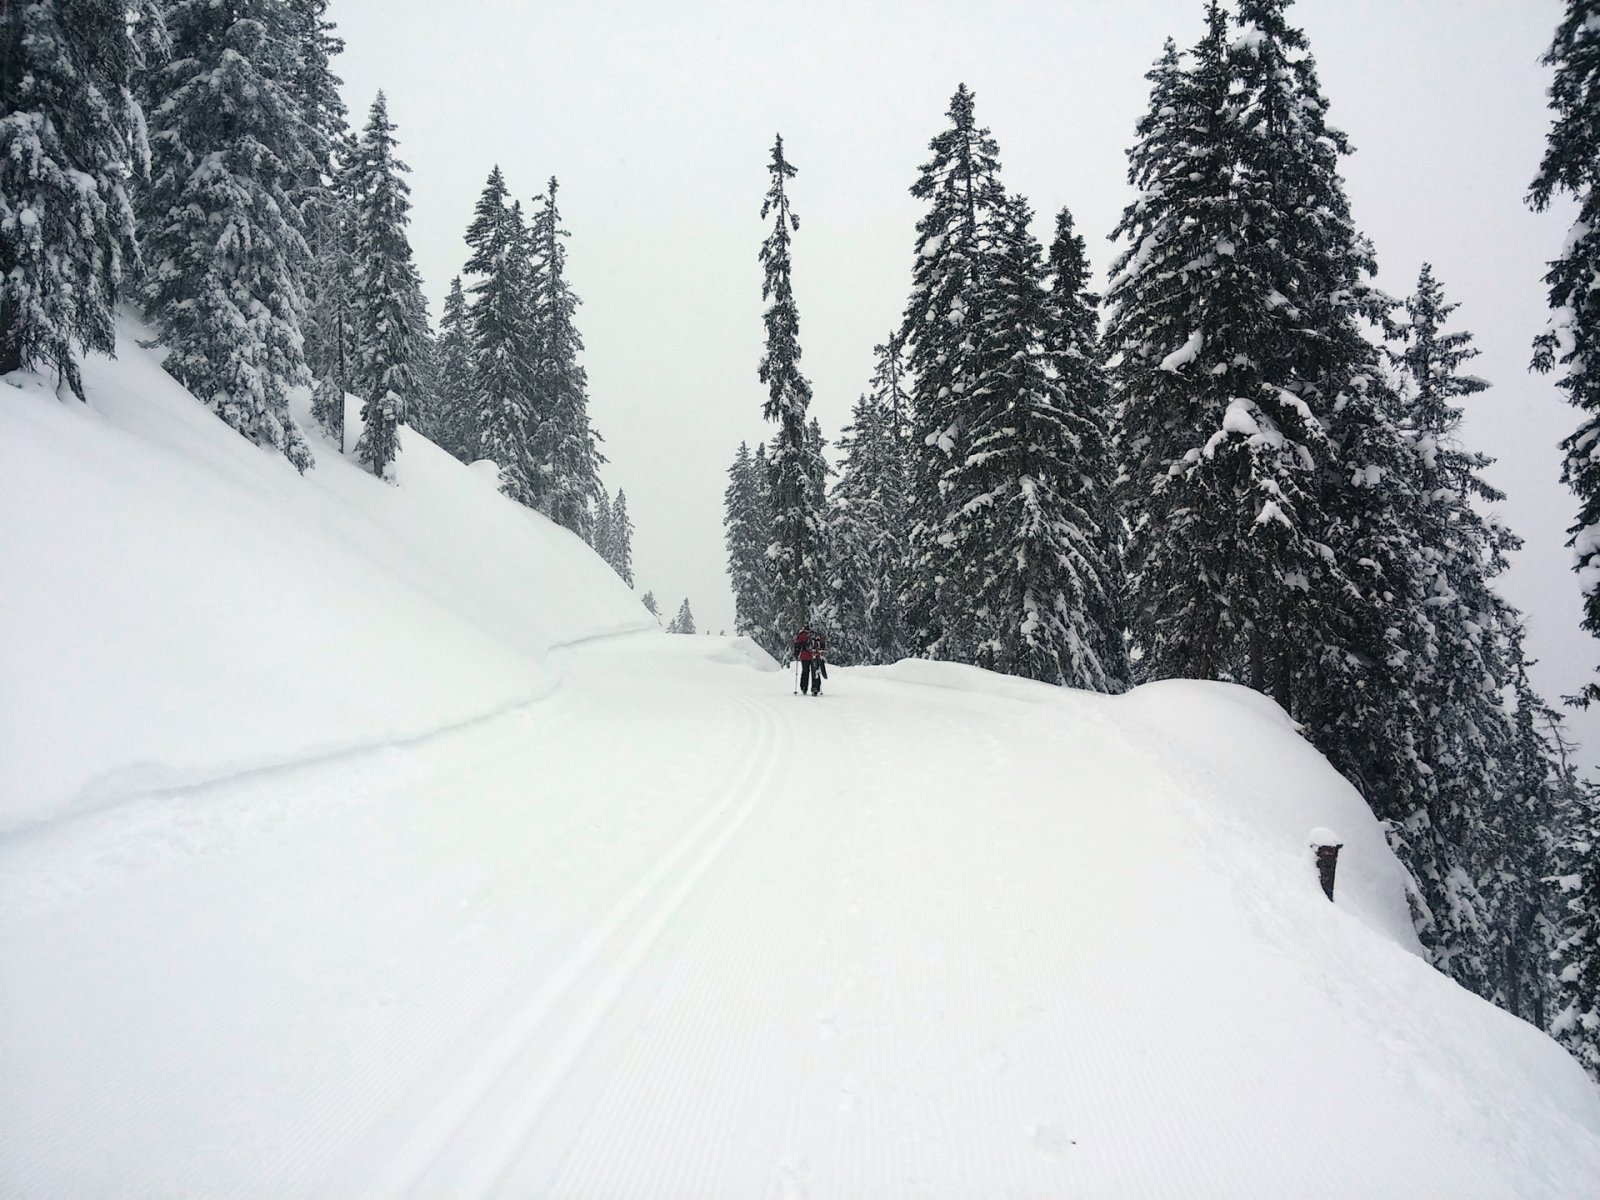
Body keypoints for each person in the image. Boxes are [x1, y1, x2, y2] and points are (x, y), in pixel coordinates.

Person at [794, 624, 826, 695]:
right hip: (815, 655)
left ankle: (804, 687)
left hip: (804, 656)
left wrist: (796, 653)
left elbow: (797, 644)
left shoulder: (802, 634)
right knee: (815, 672)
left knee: (805, 672)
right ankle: (815, 688)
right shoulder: (817, 634)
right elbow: (822, 643)